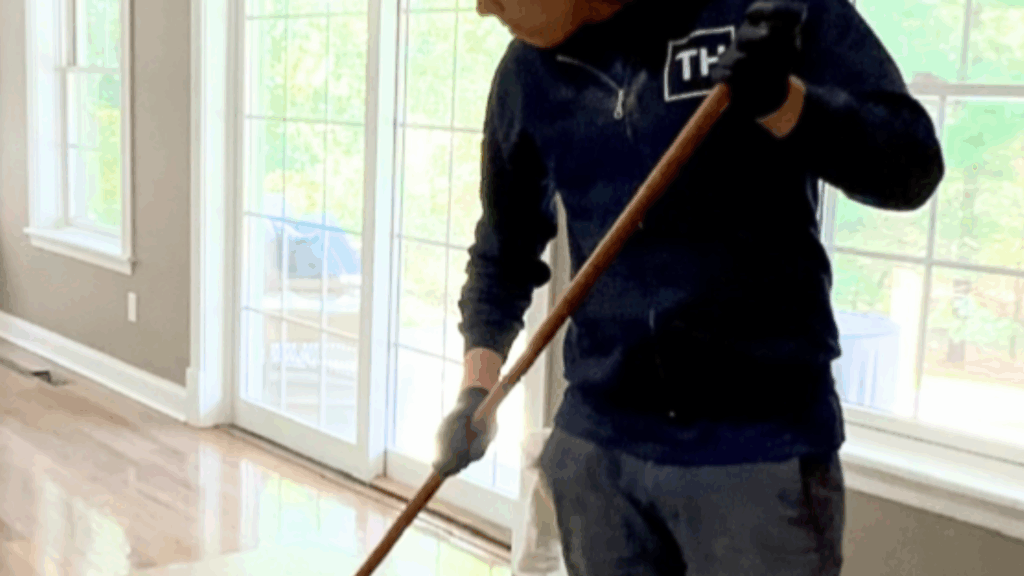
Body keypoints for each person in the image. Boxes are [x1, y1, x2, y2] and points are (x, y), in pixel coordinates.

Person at [433, 0, 944, 574]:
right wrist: (476, 391)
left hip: (757, 451)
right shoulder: (526, 74)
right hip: (597, 450)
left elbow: (911, 166)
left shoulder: (762, 11)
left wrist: (785, 104)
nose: (481, 7)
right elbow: (503, 251)